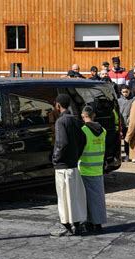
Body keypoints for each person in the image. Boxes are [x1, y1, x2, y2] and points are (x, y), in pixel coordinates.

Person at [50, 94, 87, 237]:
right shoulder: (76, 120)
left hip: (62, 165)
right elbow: (83, 139)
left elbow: (61, 143)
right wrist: (77, 154)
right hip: (73, 164)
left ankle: (65, 224)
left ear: (58, 106)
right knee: (74, 196)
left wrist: (55, 158)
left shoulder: (60, 122)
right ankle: (76, 225)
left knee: (63, 197)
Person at [78, 106, 107, 233]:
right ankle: (97, 221)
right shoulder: (103, 130)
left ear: (83, 116)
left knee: (87, 198)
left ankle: (92, 222)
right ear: (93, 115)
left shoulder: (83, 130)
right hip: (98, 167)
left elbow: (80, 149)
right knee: (98, 197)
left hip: (85, 167)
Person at [118, 85, 135, 162]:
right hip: (121, 123)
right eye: (123, 92)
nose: (125, 93)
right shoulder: (119, 101)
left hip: (129, 123)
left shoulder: (133, 100)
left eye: (126, 92)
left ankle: (129, 155)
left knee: (128, 140)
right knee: (121, 140)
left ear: (129, 91)